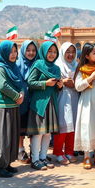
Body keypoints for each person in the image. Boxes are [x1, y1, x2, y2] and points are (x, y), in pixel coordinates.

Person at [0, 40, 24, 177]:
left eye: (15, 51)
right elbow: (2, 85)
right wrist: (17, 96)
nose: (13, 54)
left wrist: (22, 92)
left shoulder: (13, 67)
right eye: (11, 51)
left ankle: (6, 163)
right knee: (1, 138)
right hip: (1, 107)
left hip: (13, 106)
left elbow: (20, 81)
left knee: (11, 137)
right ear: (3, 52)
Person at [27, 41, 62, 171]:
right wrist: (45, 83)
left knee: (47, 133)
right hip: (39, 103)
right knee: (38, 133)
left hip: (52, 102)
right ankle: (35, 159)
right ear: (44, 52)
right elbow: (30, 82)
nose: (52, 54)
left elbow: (57, 88)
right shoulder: (38, 64)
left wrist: (59, 86)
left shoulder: (56, 68)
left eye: (54, 52)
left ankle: (43, 157)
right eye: (49, 51)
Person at [53, 42, 79, 165]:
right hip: (62, 97)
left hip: (75, 97)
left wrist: (72, 83)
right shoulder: (57, 65)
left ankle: (69, 151)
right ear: (62, 52)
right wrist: (63, 81)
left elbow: (79, 81)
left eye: (73, 52)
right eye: (68, 52)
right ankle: (58, 152)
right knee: (63, 124)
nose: (70, 54)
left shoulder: (76, 65)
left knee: (73, 124)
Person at [16, 40, 38, 164]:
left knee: (32, 127)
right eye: (28, 50)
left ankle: (33, 151)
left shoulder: (37, 63)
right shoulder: (17, 64)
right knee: (21, 126)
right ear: (23, 51)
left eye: (33, 50)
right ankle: (20, 150)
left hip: (34, 99)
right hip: (22, 100)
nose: (31, 53)